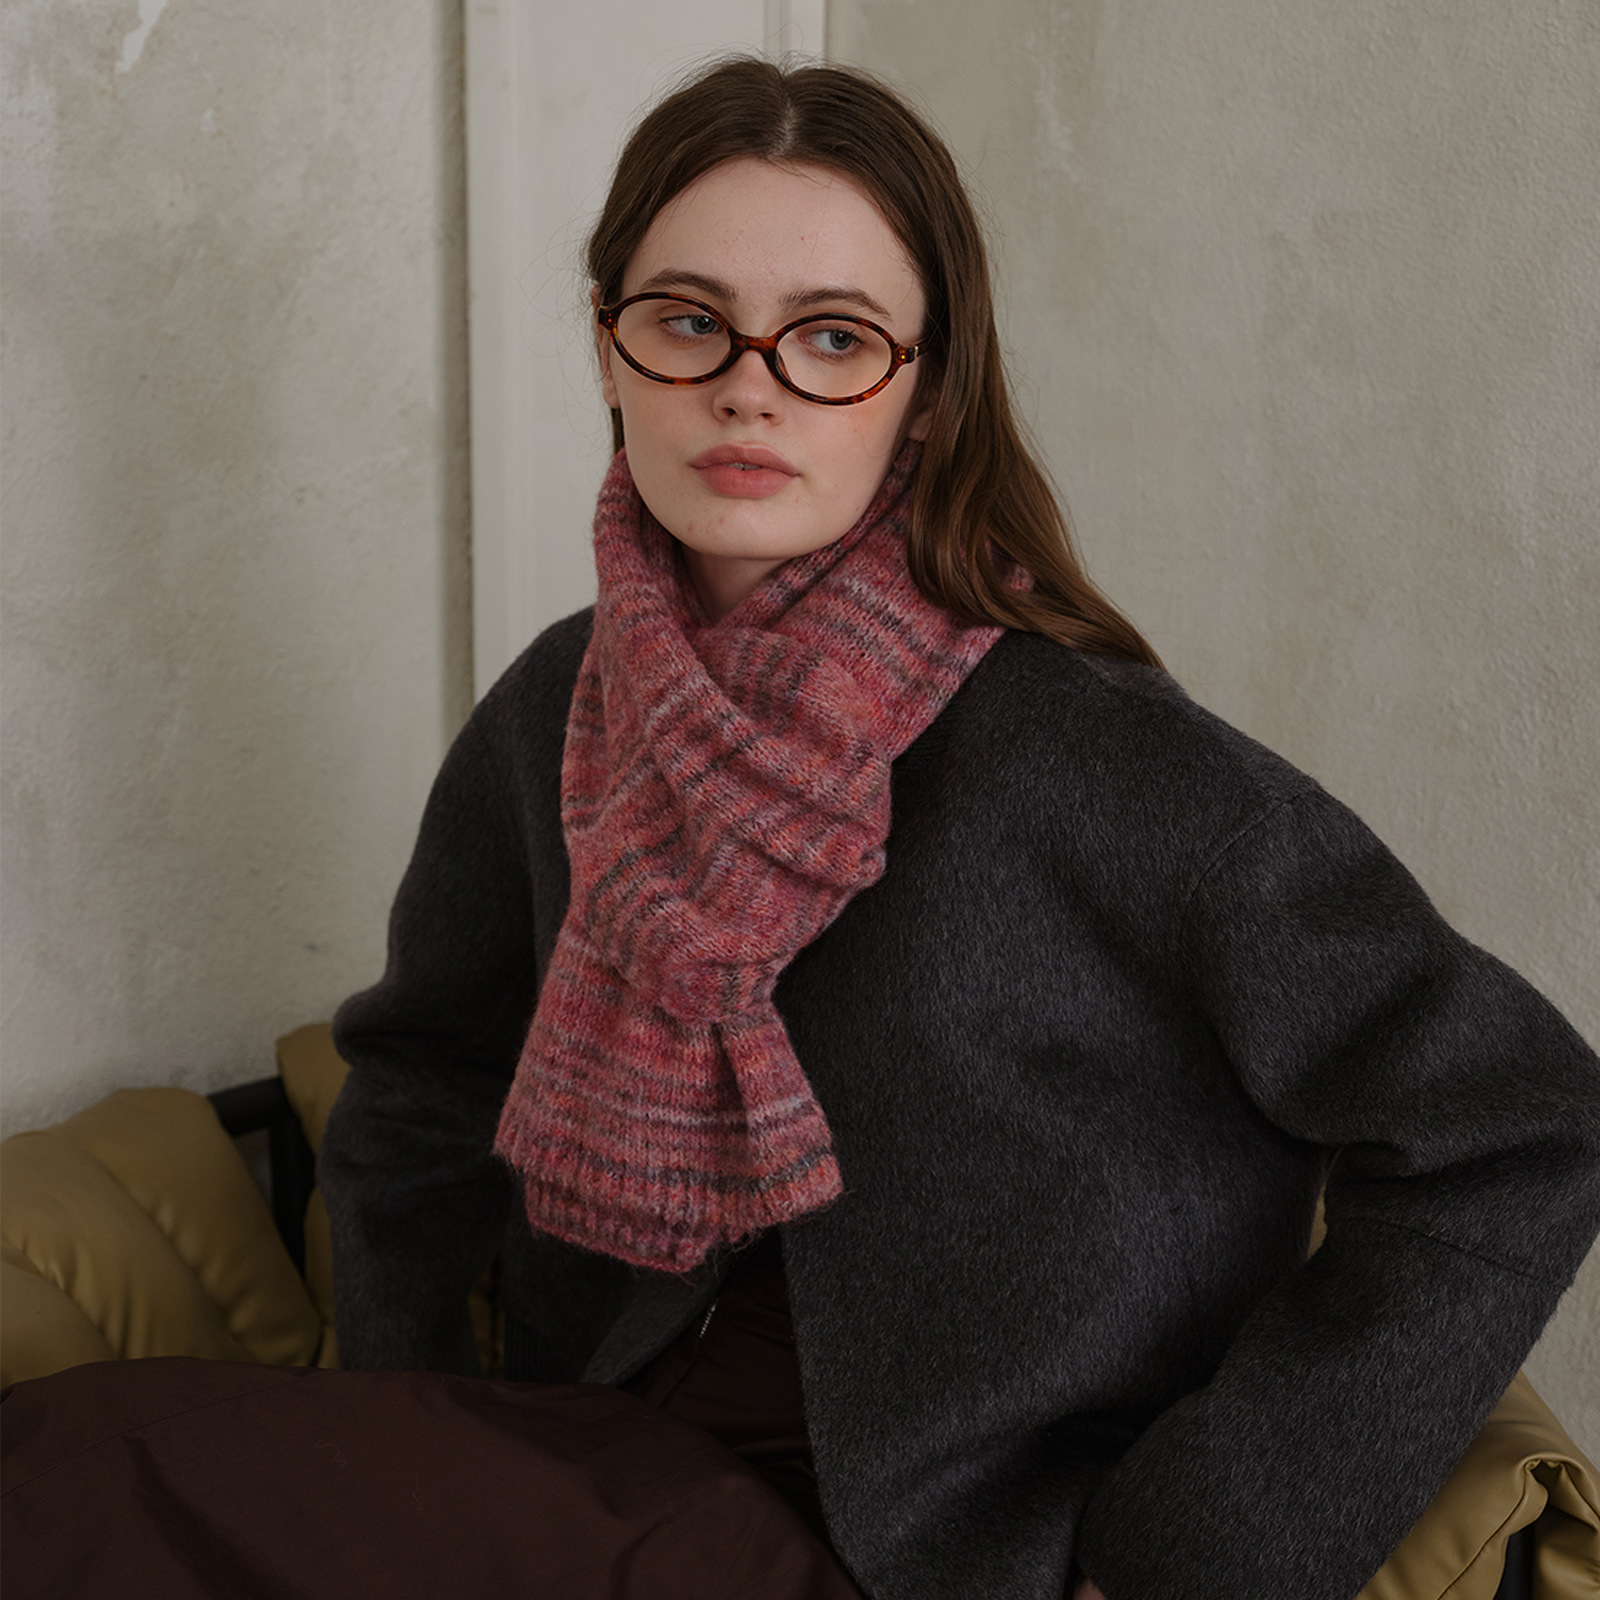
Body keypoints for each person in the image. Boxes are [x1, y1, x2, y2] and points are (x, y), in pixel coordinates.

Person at [318, 55, 1600, 1600]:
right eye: (687, 320)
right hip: (576, 1460)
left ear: (926, 388)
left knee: (92, 1470)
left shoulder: (1100, 760)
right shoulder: (558, 708)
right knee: (93, 1458)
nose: (747, 386)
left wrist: (1204, 1551)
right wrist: (400, 1417)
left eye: (833, 338)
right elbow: (424, 1080)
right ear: (608, 348)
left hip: (919, 1551)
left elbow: (1518, 1124)